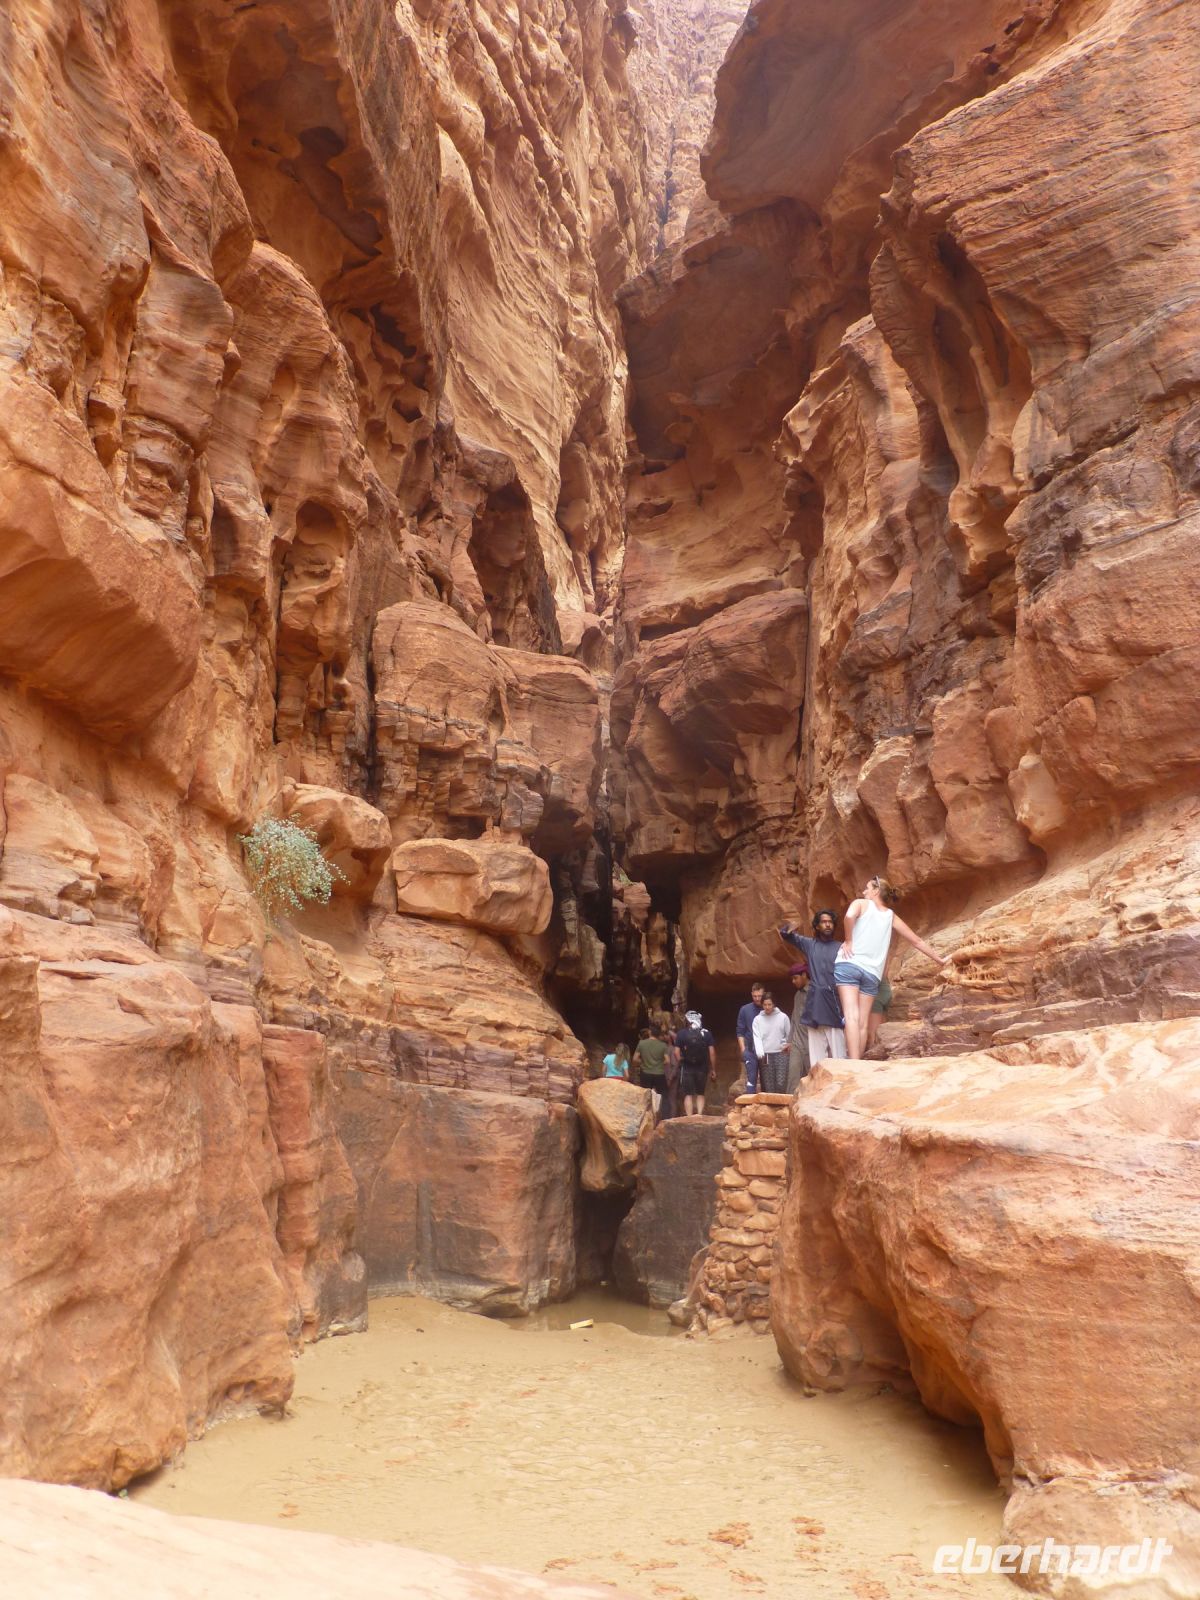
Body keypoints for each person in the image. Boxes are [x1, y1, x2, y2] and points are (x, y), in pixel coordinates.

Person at [835, 876, 950, 1060]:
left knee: (851, 1016)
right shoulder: (890, 916)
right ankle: (856, 1063)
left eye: (867, 888)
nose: (864, 892)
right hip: (872, 973)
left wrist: (849, 940)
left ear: (875, 891)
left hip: (849, 963)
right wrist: (941, 960)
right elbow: (916, 940)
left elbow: (849, 917)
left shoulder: (861, 903)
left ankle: (852, 1062)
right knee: (863, 1022)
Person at [779, 910, 847, 1065]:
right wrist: (791, 926)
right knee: (816, 1058)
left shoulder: (841, 947)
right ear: (816, 926)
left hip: (833, 1001)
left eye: (830, 922)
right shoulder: (810, 945)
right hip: (815, 1002)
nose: (828, 924)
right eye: (823, 922)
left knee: (840, 1054)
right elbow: (785, 934)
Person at [675, 1009, 716, 1116]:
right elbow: (712, 1052)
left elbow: (676, 1052)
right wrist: (713, 1069)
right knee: (700, 1093)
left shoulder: (681, 1034)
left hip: (687, 1067)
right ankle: (699, 1114)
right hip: (702, 1067)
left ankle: (689, 1117)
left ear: (687, 1021)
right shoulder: (706, 1033)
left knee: (688, 1094)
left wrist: (681, 1061)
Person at [751, 992, 791, 1094]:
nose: (767, 1007)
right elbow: (757, 1037)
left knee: (781, 1082)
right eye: (765, 1005)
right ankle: (770, 1108)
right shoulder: (757, 1019)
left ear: (774, 1004)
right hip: (766, 1054)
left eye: (769, 1004)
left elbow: (789, 1034)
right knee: (769, 1084)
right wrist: (760, 1051)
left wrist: (787, 1045)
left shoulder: (783, 1017)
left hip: (781, 1053)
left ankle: (781, 1107)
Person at [735, 982, 765, 1094]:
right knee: (751, 1079)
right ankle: (750, 1106)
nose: (757, 999)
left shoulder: (767, 1007)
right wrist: (743, 1049)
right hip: (750, 1049)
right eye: (755, 996)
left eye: (759, 996)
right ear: (751, 994)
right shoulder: (744, 1009)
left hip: (766, 1049)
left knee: (766, 1079)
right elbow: (740, 1031)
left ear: (764, 994)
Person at [786, 960, 812, 1088]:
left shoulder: (815, 992)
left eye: (795, 978)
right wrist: (789, 1040)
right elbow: (794, 1019)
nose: (793, 981)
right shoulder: (797, 995)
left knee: (812, 1076)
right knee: (793, 1078)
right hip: (797, 1043)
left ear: (804, 975)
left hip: (812, 1043)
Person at [635, 1026, 669, 1114]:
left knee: (645, 1096)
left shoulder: (641, 1043)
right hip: (659, 1074)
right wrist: (659, 1063)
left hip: (645, 1073)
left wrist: (643, 1063)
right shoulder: (663, 1045)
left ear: (650, 1033)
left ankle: (645, 1115)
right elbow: (667, 1060)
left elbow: (635, 1059)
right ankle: (665, 1118)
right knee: (664, 1096)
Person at [867, 972, 893, 1054]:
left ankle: (873, 1058)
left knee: (873, 1035)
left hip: (876, 991)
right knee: (882, 1032)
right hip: (885, 986)